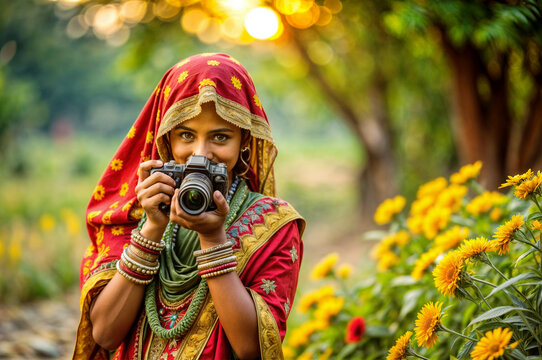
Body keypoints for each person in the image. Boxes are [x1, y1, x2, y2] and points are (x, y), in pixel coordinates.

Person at [73, 53, 305, 360]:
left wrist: (213, 240)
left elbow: (252, 348)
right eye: (186, 135)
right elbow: (104, 333)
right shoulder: (136, 213)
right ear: (166, 139)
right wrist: (152, 229)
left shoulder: (274, 224)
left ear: (244, 140)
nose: (201, 153)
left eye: (220, 137)